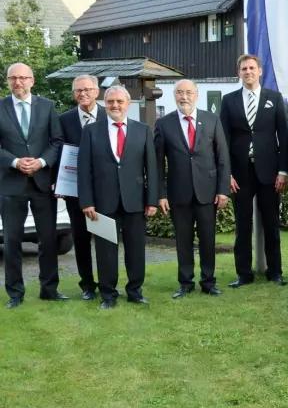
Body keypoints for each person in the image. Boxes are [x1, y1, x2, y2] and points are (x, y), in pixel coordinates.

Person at [77, 86, 158, 309]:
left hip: (135, 202)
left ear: (128, 104)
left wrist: (152, 200)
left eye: (119, 102)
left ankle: (135, 291)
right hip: (102, 202)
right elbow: (84, 170)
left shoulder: (142, 130)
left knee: (136, 250)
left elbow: (151, 168)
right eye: (110, 101)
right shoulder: (91, 131)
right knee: (105, 252)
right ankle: (108, 295)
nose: (115, 105)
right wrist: (86, 201)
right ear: (105, 103)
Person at [154, 79, 230, 299]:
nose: (184, 96)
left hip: (207, 192)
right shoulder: (164, 124)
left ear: (196, 94)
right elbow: (157, 163)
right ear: (174, 96)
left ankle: (208, 282)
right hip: (179, 194)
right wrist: (161, 194)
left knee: (208, 239)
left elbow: (222, 157)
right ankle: (185, 283)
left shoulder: (211, 120)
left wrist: (222, 190)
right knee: (183, 241)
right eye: (179, 92)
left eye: (188, 92)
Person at [220, 54, 288, 288]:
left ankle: (275, 271)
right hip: (240, 173)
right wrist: (226, 173)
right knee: (242, 225)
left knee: (271, 223)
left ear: (260, 71)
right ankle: (243, 274)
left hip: (269, 171)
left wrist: (283, 171)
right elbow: (223, 140)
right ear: (238, 72)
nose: (248, 71)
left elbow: (284, 137)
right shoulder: (229, 101)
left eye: (252, 68)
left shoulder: (275, 98)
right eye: (243, 68)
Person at [1, 62, 65, 307]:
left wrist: (40, 161)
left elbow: (57, 141)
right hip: (11, 184)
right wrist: (15, 162)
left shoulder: (47, 107)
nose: (18, 82)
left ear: (32, 80)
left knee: (48, 240)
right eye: (13, 78)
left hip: (41, 183)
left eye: (23, 78)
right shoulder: (0, 107)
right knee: (12, 241)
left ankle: (49, 290)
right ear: (8, 81)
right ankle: (15, 294)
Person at [59, 74, 102, 300]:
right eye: (78, 90)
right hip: (75, 190)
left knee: (105, 238)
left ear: (96, 91)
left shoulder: (109, 115)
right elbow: (59, 152)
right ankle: (87, 285)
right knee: (81, 239)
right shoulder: (64, 120)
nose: (82, 94)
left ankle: (107, 283)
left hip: (106, 191)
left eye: (87, 89)